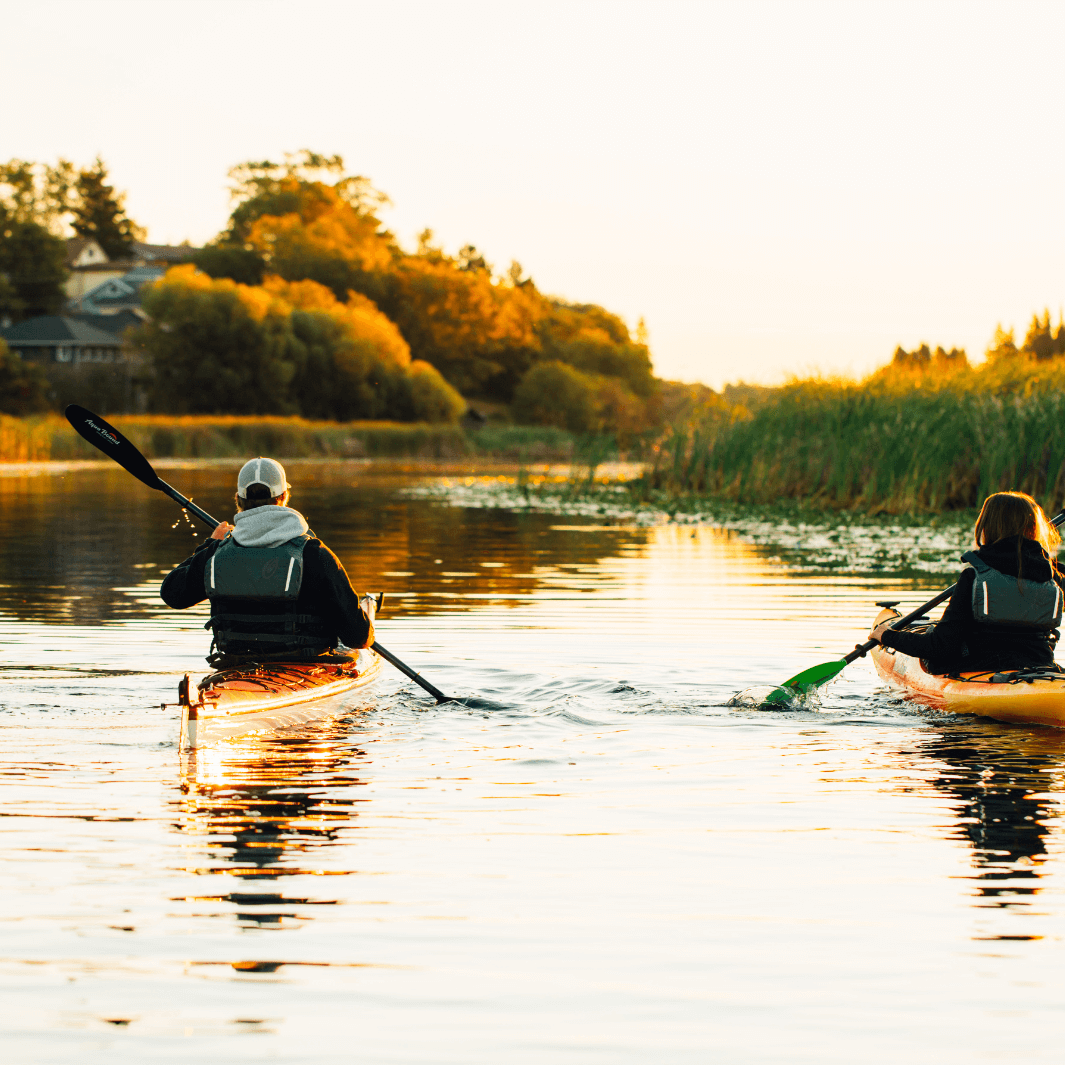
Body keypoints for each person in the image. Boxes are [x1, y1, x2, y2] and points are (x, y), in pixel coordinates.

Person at [161, 456, 375, 665]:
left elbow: (172, 594)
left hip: (236, 663)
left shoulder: (216, 553)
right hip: (304, 665)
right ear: (284, 497)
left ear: (238, 499)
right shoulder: (314, 553)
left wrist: (210, 544)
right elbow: (358, 637)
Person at [867, 491, 1065, 675]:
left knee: (934, 639)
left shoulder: (974, 577)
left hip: (978, 668)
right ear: (1033, 528)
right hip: (1040, 667)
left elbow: (941, 647)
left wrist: (887, 636)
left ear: (987, 526)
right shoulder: (1053, 578)